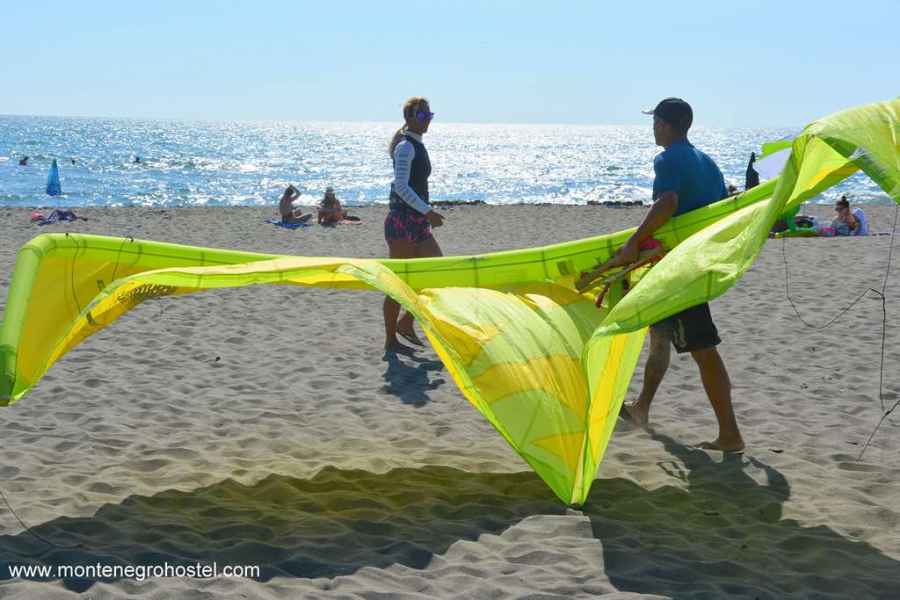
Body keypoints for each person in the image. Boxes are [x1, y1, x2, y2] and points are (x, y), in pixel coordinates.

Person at [618, 97, 744, 453]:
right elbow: (719, 212)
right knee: (659, 335)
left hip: (681, 270)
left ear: (665, 124)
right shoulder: (709, 163)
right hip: (689, 263)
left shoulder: (669, 157)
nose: (653, 128)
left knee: (704, 350)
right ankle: (641, 408)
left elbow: (667, 203)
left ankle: (731, 435)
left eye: (655, 122)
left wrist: (634, 242)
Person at [383, 97, 445, 353]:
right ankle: (391, 341)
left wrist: (425, 213)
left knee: (438, 274)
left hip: (418, 222)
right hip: (401, 222)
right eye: (422, 116)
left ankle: (406, 322)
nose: (426, 120)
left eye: (429, 116)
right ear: (409, 118)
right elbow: (401, 186)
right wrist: (427, 211)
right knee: (399, 284)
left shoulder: (418, 145)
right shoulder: (406, 147)